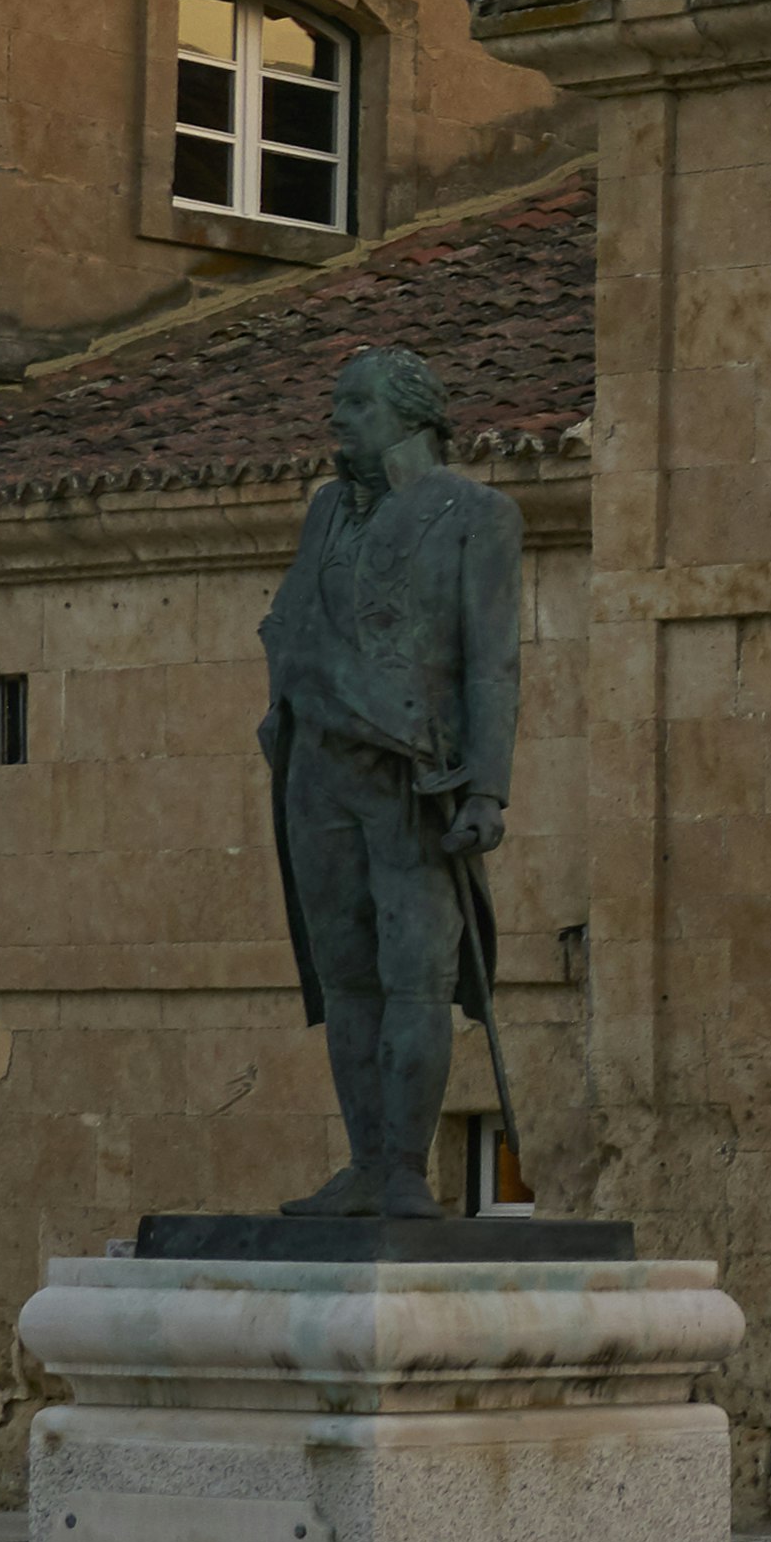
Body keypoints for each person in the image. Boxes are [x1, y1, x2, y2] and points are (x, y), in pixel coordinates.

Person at [260, 344, 519, 1219]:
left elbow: (492, 663)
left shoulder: (475, 513)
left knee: (416, 971)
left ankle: (404, 1167)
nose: (337, 418)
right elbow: (289, 617)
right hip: (317, 768)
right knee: (346, 978)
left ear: (410, 416)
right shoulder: (327, 510)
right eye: (336, 402)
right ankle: (365, 1161)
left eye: (355, 403)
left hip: (416, 775)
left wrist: (486, 789)